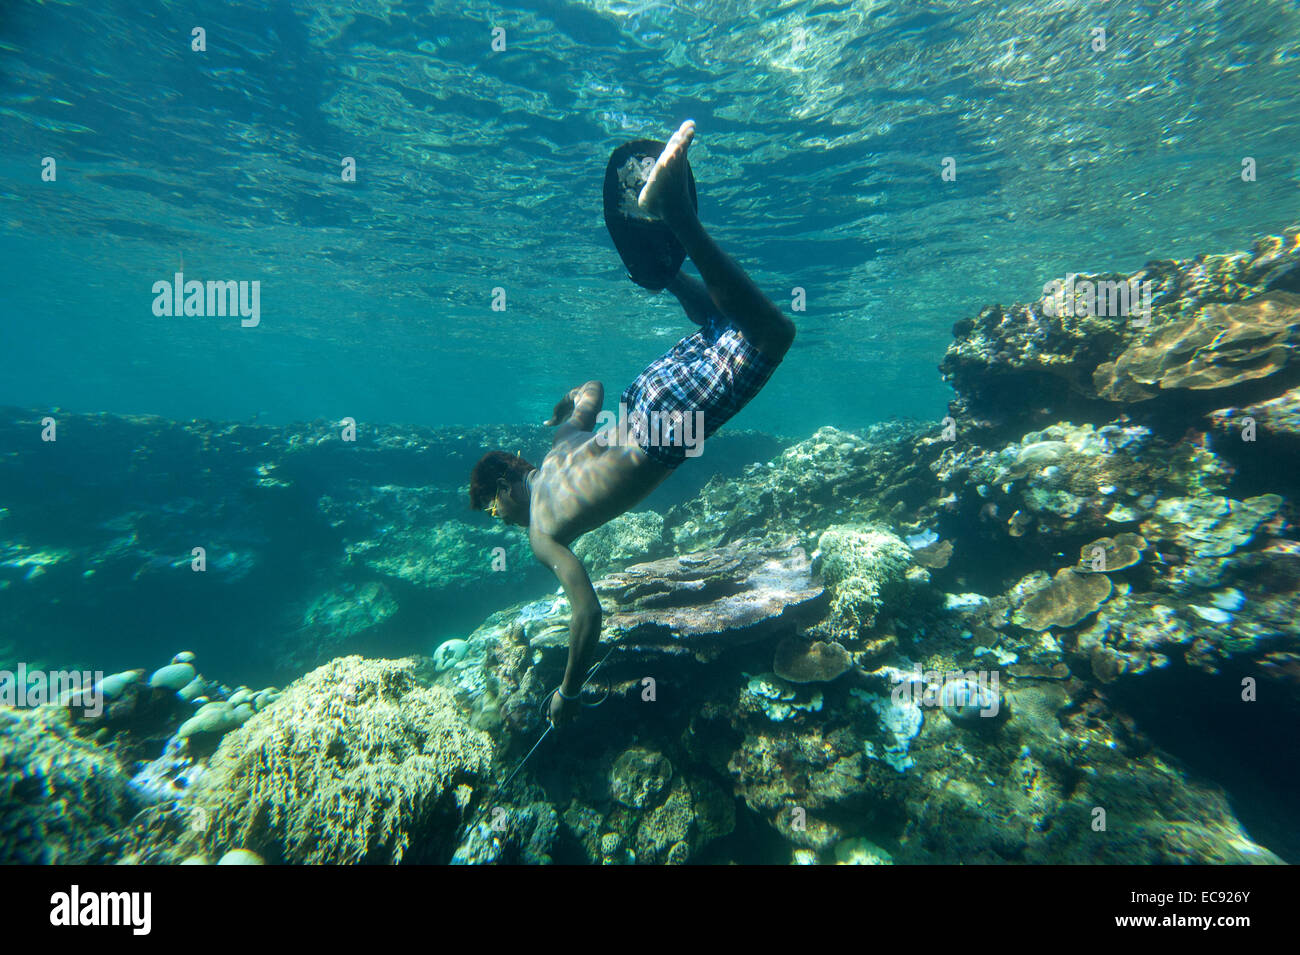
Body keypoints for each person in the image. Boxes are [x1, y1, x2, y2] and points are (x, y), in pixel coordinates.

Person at [468, 120, 794, 726]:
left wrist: (566, 693)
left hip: (662, 435)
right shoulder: (560, 443)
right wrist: (563, 405)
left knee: (774, 334)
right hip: (641, 397)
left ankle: (677, 218)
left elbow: (587, 616)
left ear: (507, 487)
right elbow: (590, 388)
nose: (501, 520)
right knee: (722, 330)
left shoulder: (542, 532)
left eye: (493, 508)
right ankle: (667, 269)